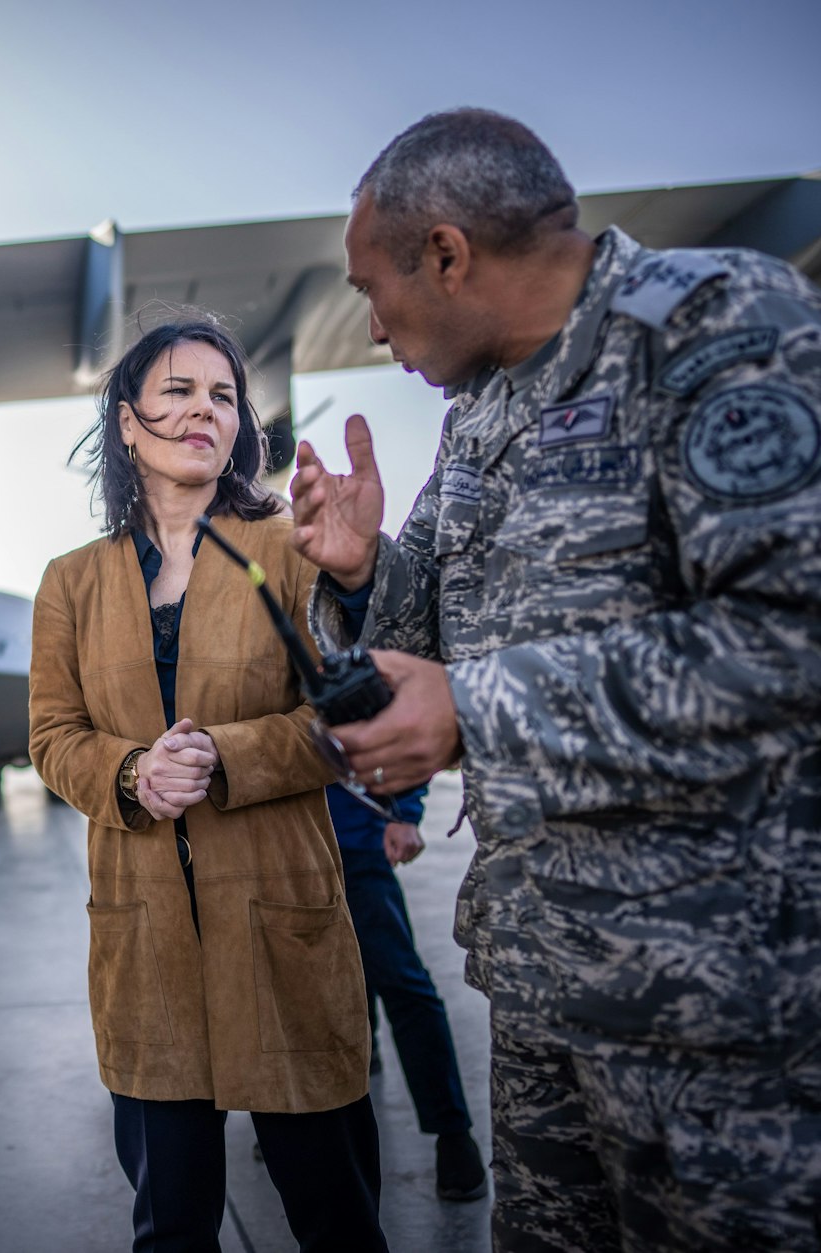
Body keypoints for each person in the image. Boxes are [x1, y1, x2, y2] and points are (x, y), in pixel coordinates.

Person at [289, 108, 821, 1252]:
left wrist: (476, 708)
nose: (370, 324)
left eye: (368, 286)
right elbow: (416, 638)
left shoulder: (713, 325)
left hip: (719, 1020)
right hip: (540, 988)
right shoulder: (476, 411)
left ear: (445, 252)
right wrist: (357, 567)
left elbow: (786, 639)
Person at [30, 320, 389, 1253]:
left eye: (223, 395)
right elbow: (52, 736)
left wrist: (230, 755)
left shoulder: (290, 546)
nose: (204, 408)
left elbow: (353, 717)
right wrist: (130, 773)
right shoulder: (70, 584)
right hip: (144, 947)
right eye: (180, 389)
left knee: (338, 1219)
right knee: (172, 1228)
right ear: (128, 421)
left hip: (282, 933)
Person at [328, 781, 486, 1202]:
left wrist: (403, 813)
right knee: (291, 986)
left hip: (357, 836)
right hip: (276, 844)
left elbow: (401, 723)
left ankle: (452, 1131)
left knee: (402, 981)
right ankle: (295, 1112)